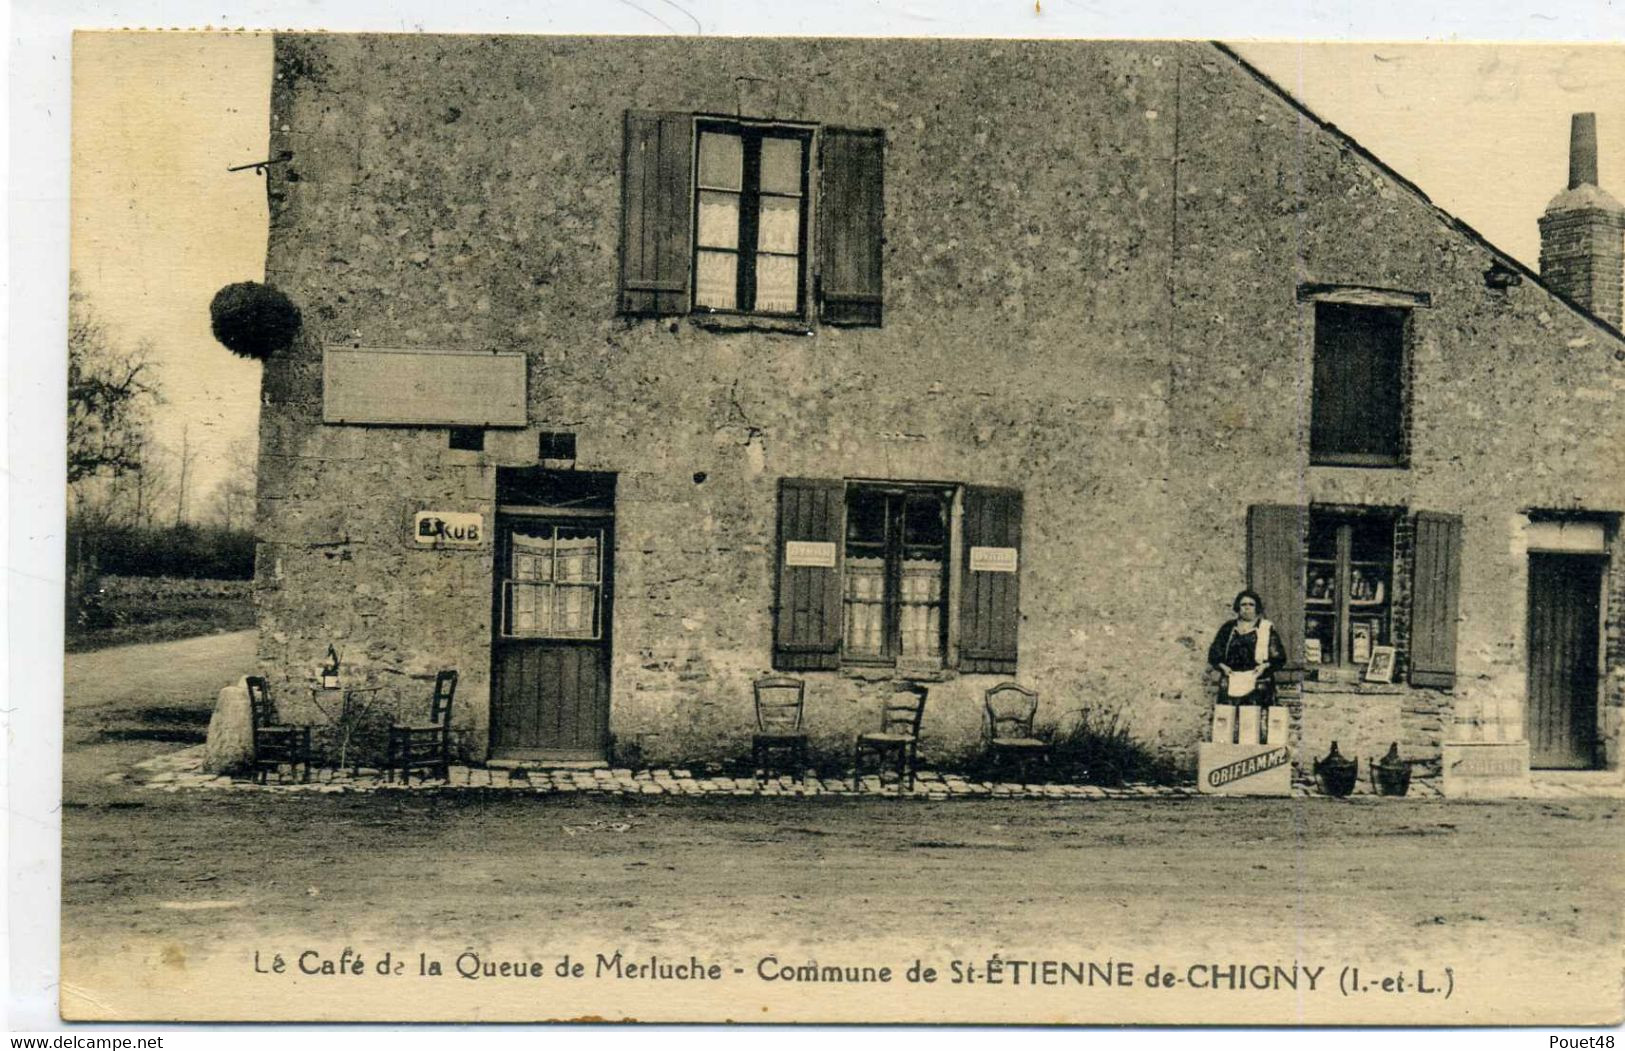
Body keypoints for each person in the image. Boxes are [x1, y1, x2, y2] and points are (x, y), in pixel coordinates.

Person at [1207, 589, 1288, 709]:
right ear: (1238, 607)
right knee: (1228, 718)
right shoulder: (1229, 628)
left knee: (1252, 718)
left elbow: (1278, 657)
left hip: (1258, 680)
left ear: (1257, 608)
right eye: (1243, 604)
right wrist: (1224, 668)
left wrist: (1263, 667)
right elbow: (1215, 653)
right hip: (1232, 679)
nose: (1247, 608)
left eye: (1251, 604)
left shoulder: (1265, 628)